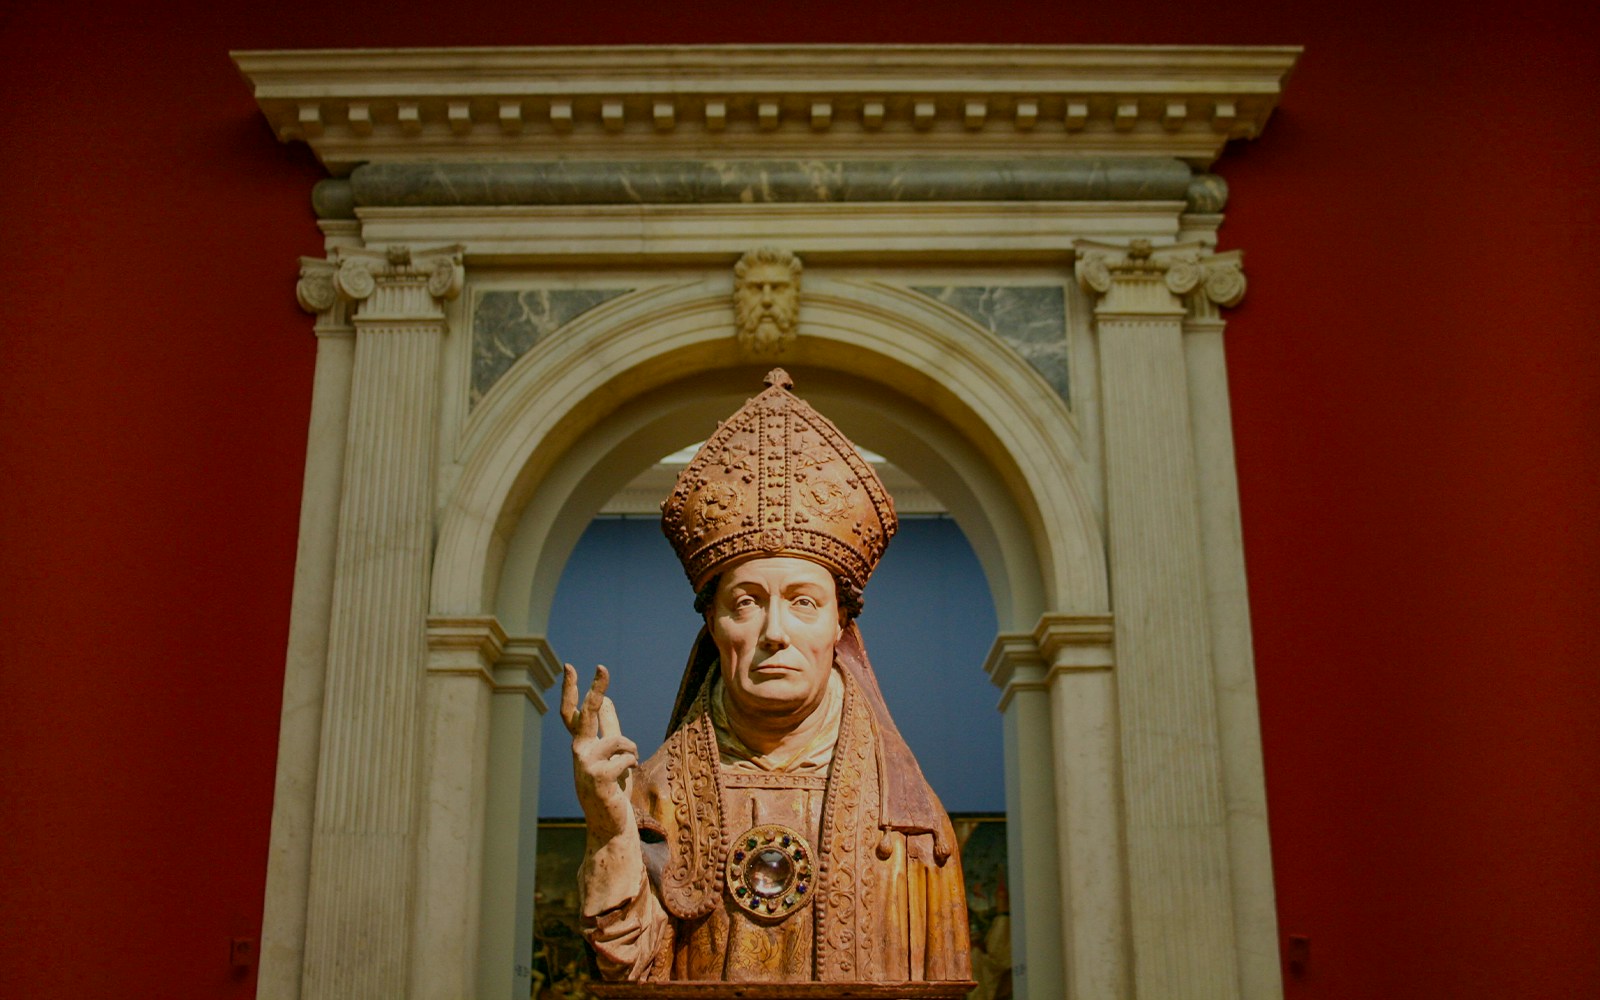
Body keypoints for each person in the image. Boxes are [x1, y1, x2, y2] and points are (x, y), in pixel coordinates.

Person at [562, 369, 971, 985]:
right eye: (747, 602)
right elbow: (627, 972)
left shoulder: (910, 826)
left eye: (803, 602)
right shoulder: (654, 798)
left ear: (841, 624)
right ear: (713, 624)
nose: (775, 630)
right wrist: (607, 827)